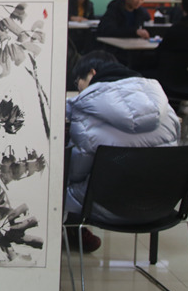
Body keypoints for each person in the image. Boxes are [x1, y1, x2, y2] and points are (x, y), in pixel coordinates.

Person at [65, 51, 180, 252]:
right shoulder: (164, 105)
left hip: (108, 206)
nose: (79, 89)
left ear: (92, 73)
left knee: (56, 181)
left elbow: (75, 173)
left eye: (78, 83)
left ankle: (70, 234)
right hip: (162, 202)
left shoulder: (84, 110)